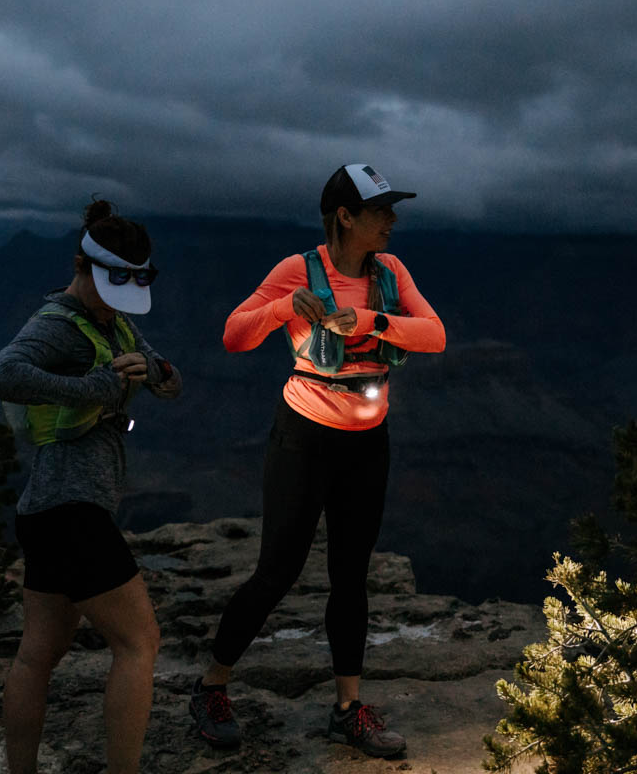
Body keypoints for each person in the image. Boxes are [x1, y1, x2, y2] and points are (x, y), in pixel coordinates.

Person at [189, 164, 446, 758]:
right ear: (346, 217)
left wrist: (373, 321)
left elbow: (433, 334)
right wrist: (287, 309)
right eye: (381, 211)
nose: (392, 221)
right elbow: (234, 334)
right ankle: (211, 686)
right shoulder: (295, 271)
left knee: (350, 577)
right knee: (277, 572)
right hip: (303, 437)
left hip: (367, 443)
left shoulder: (390, 273)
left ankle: (347, 709)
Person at [0, 200, 181, 774]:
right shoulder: (55, 325)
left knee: (39, 653)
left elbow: (170, 380)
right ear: (81, 266)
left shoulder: (112, 321)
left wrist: (159, 374)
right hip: (71, 511)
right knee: (140, 641)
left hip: (45, 510)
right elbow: (1, 374)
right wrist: (93, 388)